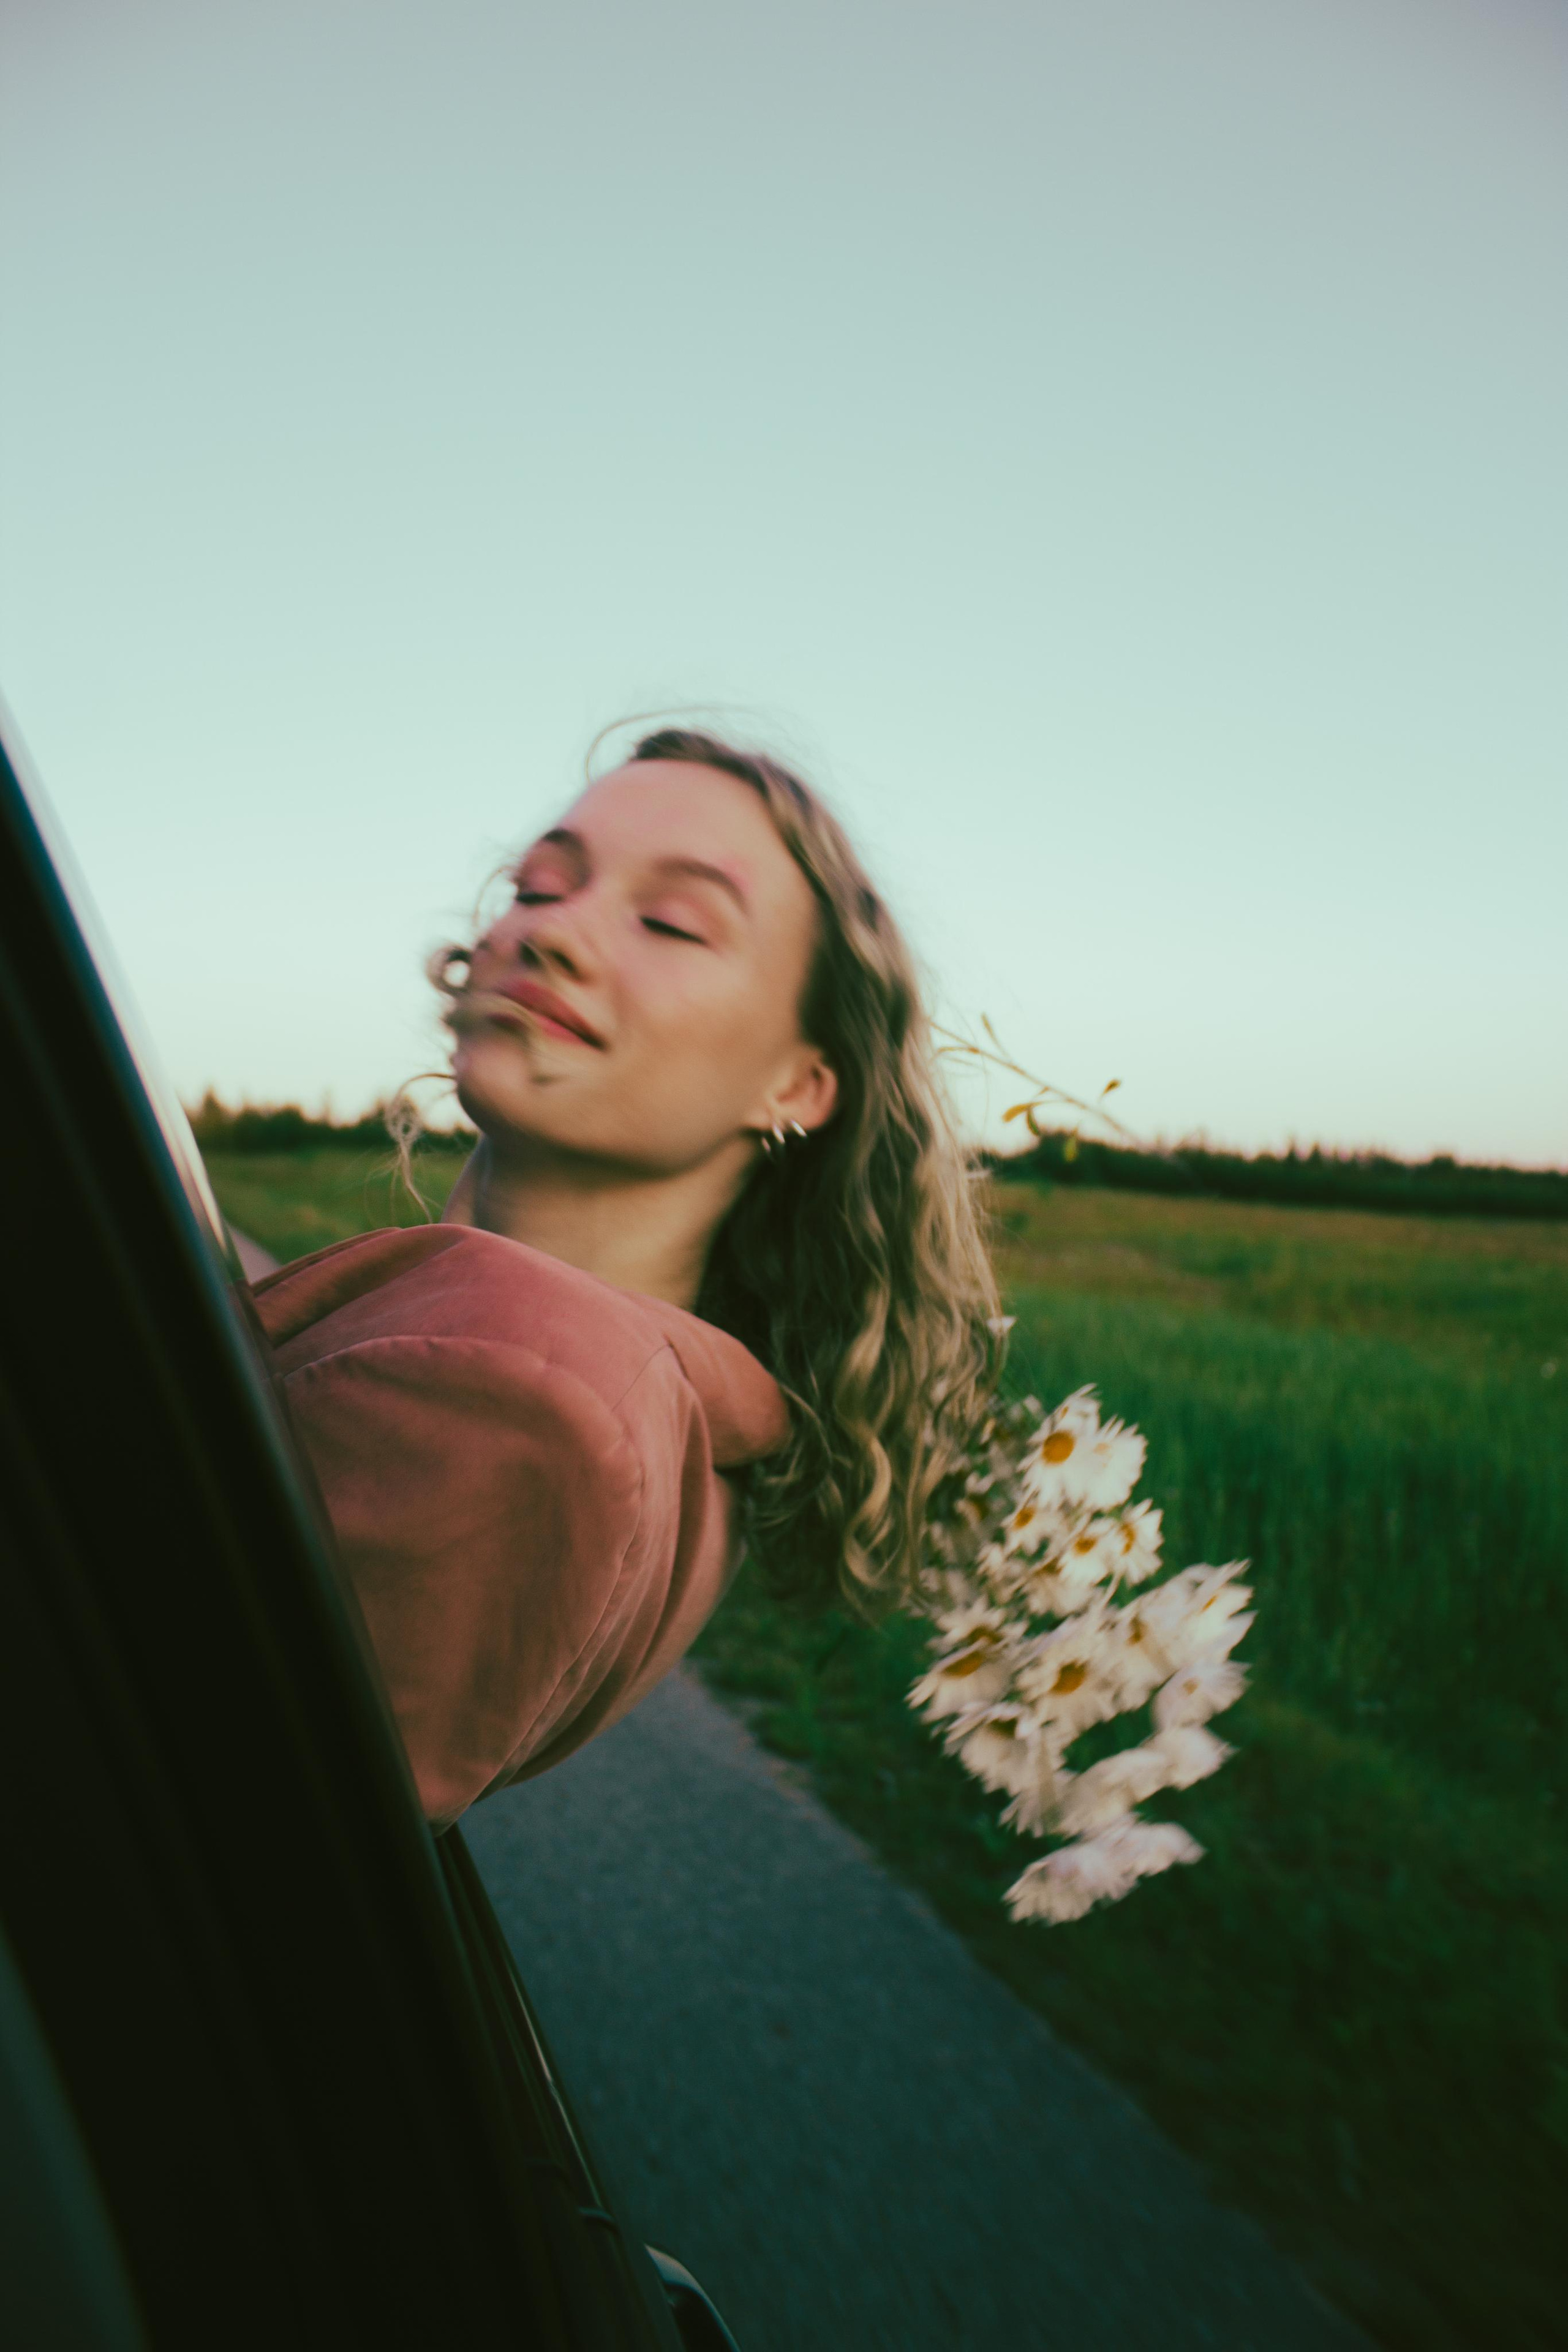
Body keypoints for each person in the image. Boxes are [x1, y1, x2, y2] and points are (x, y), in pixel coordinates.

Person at [252, 728, 998, 1826]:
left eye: (671, 922)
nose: (554, 931)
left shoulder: (516, 1372)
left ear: (796, 1086)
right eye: (540, 885)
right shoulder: (674, 1416)